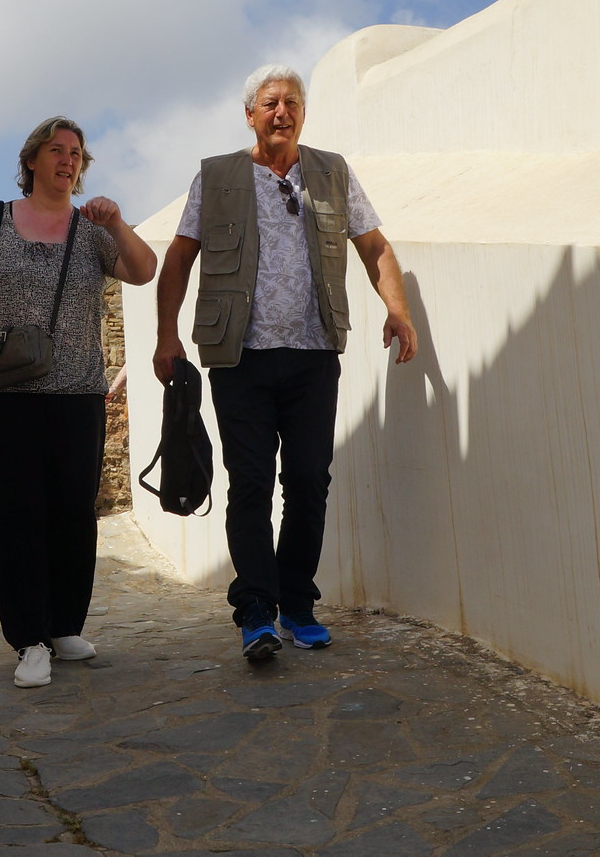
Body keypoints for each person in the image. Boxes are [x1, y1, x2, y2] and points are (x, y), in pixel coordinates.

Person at [154, 64, 417, 662]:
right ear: (250, 114)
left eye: (292, 102)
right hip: (239, 358)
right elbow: (179, 258)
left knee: (308, 481)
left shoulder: (331, 172)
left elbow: (373, 245)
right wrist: (167, 336)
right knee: (249, 482)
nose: (283, 112)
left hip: (313, 356)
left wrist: (397, 310)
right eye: (271, 103)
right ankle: (255, 611)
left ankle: (297, 603)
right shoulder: (217, 176)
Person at [0, 116, 156, 689]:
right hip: (8, 395)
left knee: (75, 512)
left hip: (79, 393)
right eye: (56, 150)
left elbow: (144, 271)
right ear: (31, 159)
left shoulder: (93, 230)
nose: (67, 160)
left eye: (76, 153)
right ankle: (29, 638)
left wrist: (118, 223)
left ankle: (63, 626)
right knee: (19, 513)